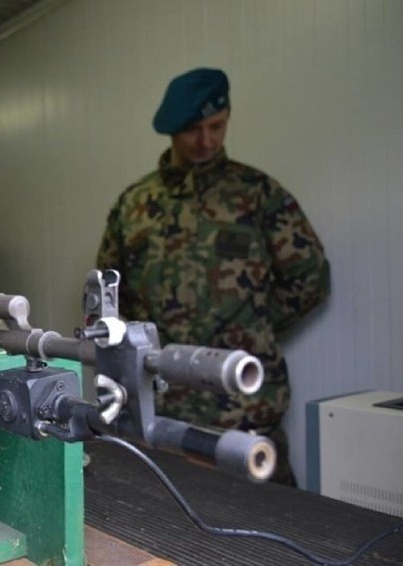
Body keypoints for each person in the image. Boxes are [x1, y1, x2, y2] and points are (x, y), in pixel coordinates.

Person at [95, 68, 330, 485]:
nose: (206, 141)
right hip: (164, 412)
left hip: (245, 407)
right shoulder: (135, 205)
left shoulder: (256, 193)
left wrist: (249, 327)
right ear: (171, 130)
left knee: (279, 528)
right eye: (193, 130)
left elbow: (309, 278)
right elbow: (112, 296)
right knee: (172, 533)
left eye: (216, 126)